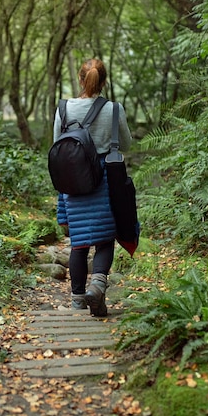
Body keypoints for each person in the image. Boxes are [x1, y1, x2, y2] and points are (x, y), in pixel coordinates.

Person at [53, 58, 132, 316]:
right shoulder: (113, 109)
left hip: (72, 179)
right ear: (104, 81)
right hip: (104, 179)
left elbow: (57, 145)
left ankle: (77, 300)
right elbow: (127, 143)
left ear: (80, 79)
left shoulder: (63, 108)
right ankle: (97, 285)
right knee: (104, 239)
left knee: (78, 243)